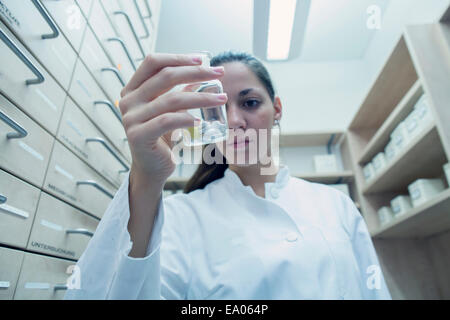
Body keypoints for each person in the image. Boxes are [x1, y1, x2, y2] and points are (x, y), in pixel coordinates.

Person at [64, 51, 392, 300]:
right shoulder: (181, 217)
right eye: (215, 110)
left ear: (276, 109)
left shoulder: (336, 205)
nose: (234, 120)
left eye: (249, 102)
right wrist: (146, 178)